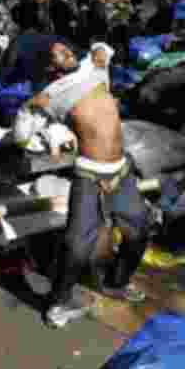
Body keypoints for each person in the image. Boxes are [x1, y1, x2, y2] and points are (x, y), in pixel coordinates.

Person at [15, 39, 151, 328]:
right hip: (89, 176)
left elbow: (105, 49)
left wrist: (102, 50)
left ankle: (116, 282)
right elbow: (22, 134)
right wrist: (27, 107)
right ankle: (58, 302)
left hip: (121, 171)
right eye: (59, 54)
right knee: (77, 246)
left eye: (66, 48)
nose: (67, 52)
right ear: (51, 66)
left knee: (139, 230)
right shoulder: (53, 94)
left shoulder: (95, 70)